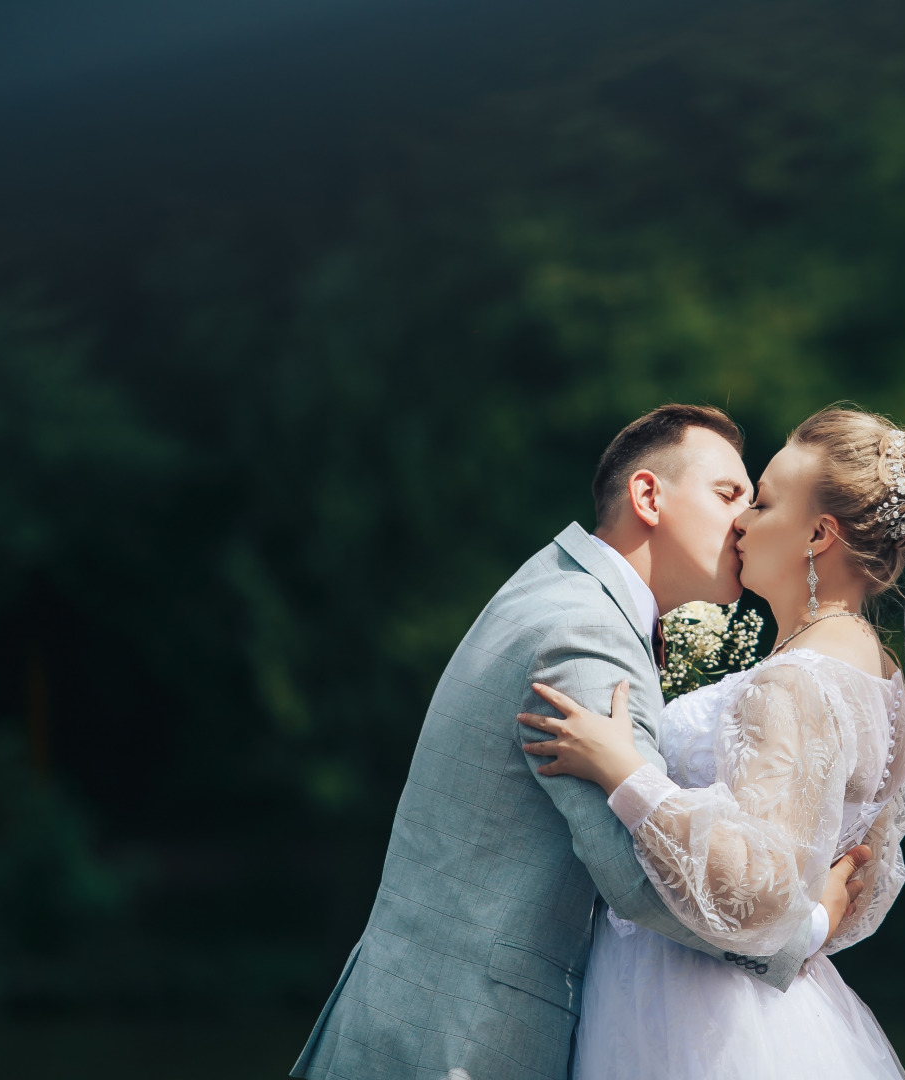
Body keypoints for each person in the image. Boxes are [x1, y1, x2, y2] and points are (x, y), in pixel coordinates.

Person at [291, 404, 867, 1080]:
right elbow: (639, 878)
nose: (744, 520)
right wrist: (804, 932)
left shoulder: (556, 587)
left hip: (418, 1016)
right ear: (648, 495)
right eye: (726, 494)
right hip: (464, 1042)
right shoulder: (586, 635)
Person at [523, 407, 905, 1080]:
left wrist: (625, 772)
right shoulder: (885, 686)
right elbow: (860, 889)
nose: (744, 520)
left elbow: (757, 888)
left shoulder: (794, 683)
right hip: (779, 1005)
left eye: (766, 503)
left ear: (818, 533)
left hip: (697, 1018)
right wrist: (811, 921)